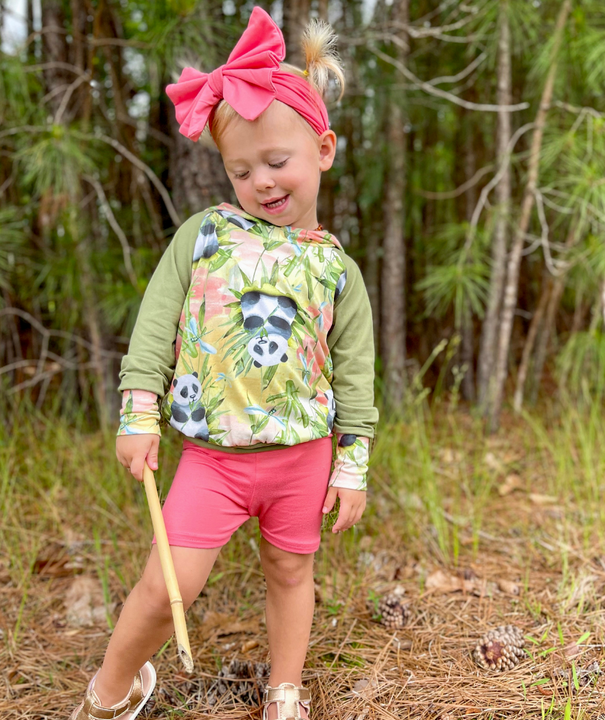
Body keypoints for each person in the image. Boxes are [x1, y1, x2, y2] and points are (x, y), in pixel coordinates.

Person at [70, 7, 377, 720]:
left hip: (302, 454)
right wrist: (139, 411)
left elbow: (356, 373)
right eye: (242, 170)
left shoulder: (335, 268)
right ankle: (114, 686)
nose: (262, 182)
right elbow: (156, 327)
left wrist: (353, 460)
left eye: (277, 162)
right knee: (168, 579)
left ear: (323, 150)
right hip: (213, 456)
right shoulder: (204, 237)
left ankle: (284, 691)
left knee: (291, 569)